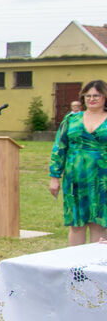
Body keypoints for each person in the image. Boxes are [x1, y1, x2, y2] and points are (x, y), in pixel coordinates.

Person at [49, 79, 107, 245]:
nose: (92, 99)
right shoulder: (72, 119)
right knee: (76, 223)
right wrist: (54, 177)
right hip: (75, 179)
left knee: (99, 223)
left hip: (102, 179)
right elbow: (59, 148)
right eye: (88, 95)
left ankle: (94, 267)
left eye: (96, 95)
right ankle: (74, 268)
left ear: (104, 97)